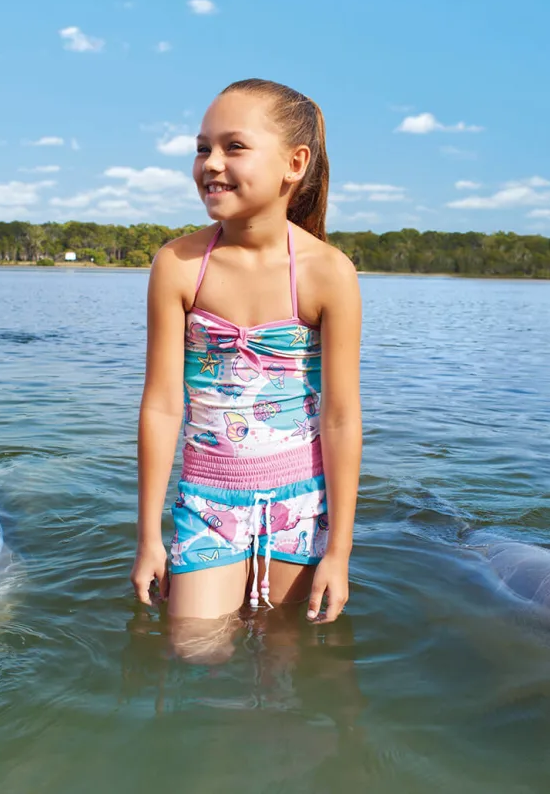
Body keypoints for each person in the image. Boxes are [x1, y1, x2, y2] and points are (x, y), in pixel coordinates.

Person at [129, 77, 363, 663]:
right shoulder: (179, 265)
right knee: (194, 652)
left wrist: (340, 551)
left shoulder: (328, 273)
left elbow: (340, 417)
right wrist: (149, 537)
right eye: (202, 147)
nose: (211, 163)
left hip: (302, 502)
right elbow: (161, 405)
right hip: (207, 497)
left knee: (286, 662)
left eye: (234, 147)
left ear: (294, 164)